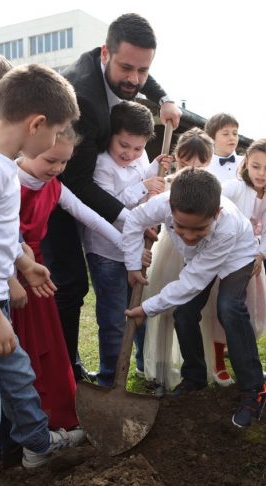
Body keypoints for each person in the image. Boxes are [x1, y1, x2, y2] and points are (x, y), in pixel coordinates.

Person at [0, 63, 83, 486]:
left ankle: (39, 443)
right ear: (36, 124)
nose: (55, 141)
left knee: (19, 375)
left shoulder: (2, 164)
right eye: (56, 132)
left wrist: (23, 263)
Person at [41, 13, 182, 382]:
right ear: (106, 53)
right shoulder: (84, 100)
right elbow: (79, 184)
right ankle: (64, 372)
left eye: (143, 70)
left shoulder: (115, 63)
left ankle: (68, 366)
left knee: (73, 285)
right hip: (57, 193)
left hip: (84, 194)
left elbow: (138, 71)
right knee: (69, 284)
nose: (134, 79)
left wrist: (164, 98)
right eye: (126, 68)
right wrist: (133, 221)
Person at [124, 168, 266, 429]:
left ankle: (254, 391)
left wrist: (147, 308)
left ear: (216, 214)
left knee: (229, 307)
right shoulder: (163, 203)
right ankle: (195, 378)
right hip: (198, 261)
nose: (188, 236)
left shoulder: (227, 227)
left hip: (237, 255)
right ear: (170, 207)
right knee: (184, 313)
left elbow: (192, 282)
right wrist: (133, 262)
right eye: (180, 227)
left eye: (199, 228)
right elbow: (134, 220)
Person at [12, 124, 124, 431]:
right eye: (50, 160)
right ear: (27, 148)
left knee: (47, 344)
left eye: (64, 162)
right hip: (10, 273)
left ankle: (54, 411)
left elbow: (90, 217)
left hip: (39, 275)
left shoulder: (55, 187)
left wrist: (127, 245)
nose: (57, 168)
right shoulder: (7, 179)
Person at [80, 100, 170, 386]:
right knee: (113, 317)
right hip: (106, 251)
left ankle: (143, 367)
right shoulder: (102, 165)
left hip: (136, 249)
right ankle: (109, 377)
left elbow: (143, 177)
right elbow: (108, 205)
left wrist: (155, 167)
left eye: (138, 149)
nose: (130, 154)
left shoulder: (140, 158)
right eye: (124, 145)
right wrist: (143, 187)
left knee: (139, 310)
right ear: (110, 135)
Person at [142, 127, 214, 391]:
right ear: (176, 159)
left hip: (200, 257)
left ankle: (195, 367)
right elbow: (148, 213)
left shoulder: (213, 189)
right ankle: (161, 370)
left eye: (199, 165)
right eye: (185, 163)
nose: (191, 170)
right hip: (170, 252)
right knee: (166, 310)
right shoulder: (167, 184)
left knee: (193, 312)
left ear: (209, 161)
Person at [207, 138, 266, 385]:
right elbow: (213, 214)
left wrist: (260, 254)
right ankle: (218, 364)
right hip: (225, 259)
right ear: (246, 162)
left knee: (246, 311)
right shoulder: (233, 188)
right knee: (221, 308)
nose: (261, 174)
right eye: (256, 166)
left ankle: (247, 360)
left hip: (250, 262)